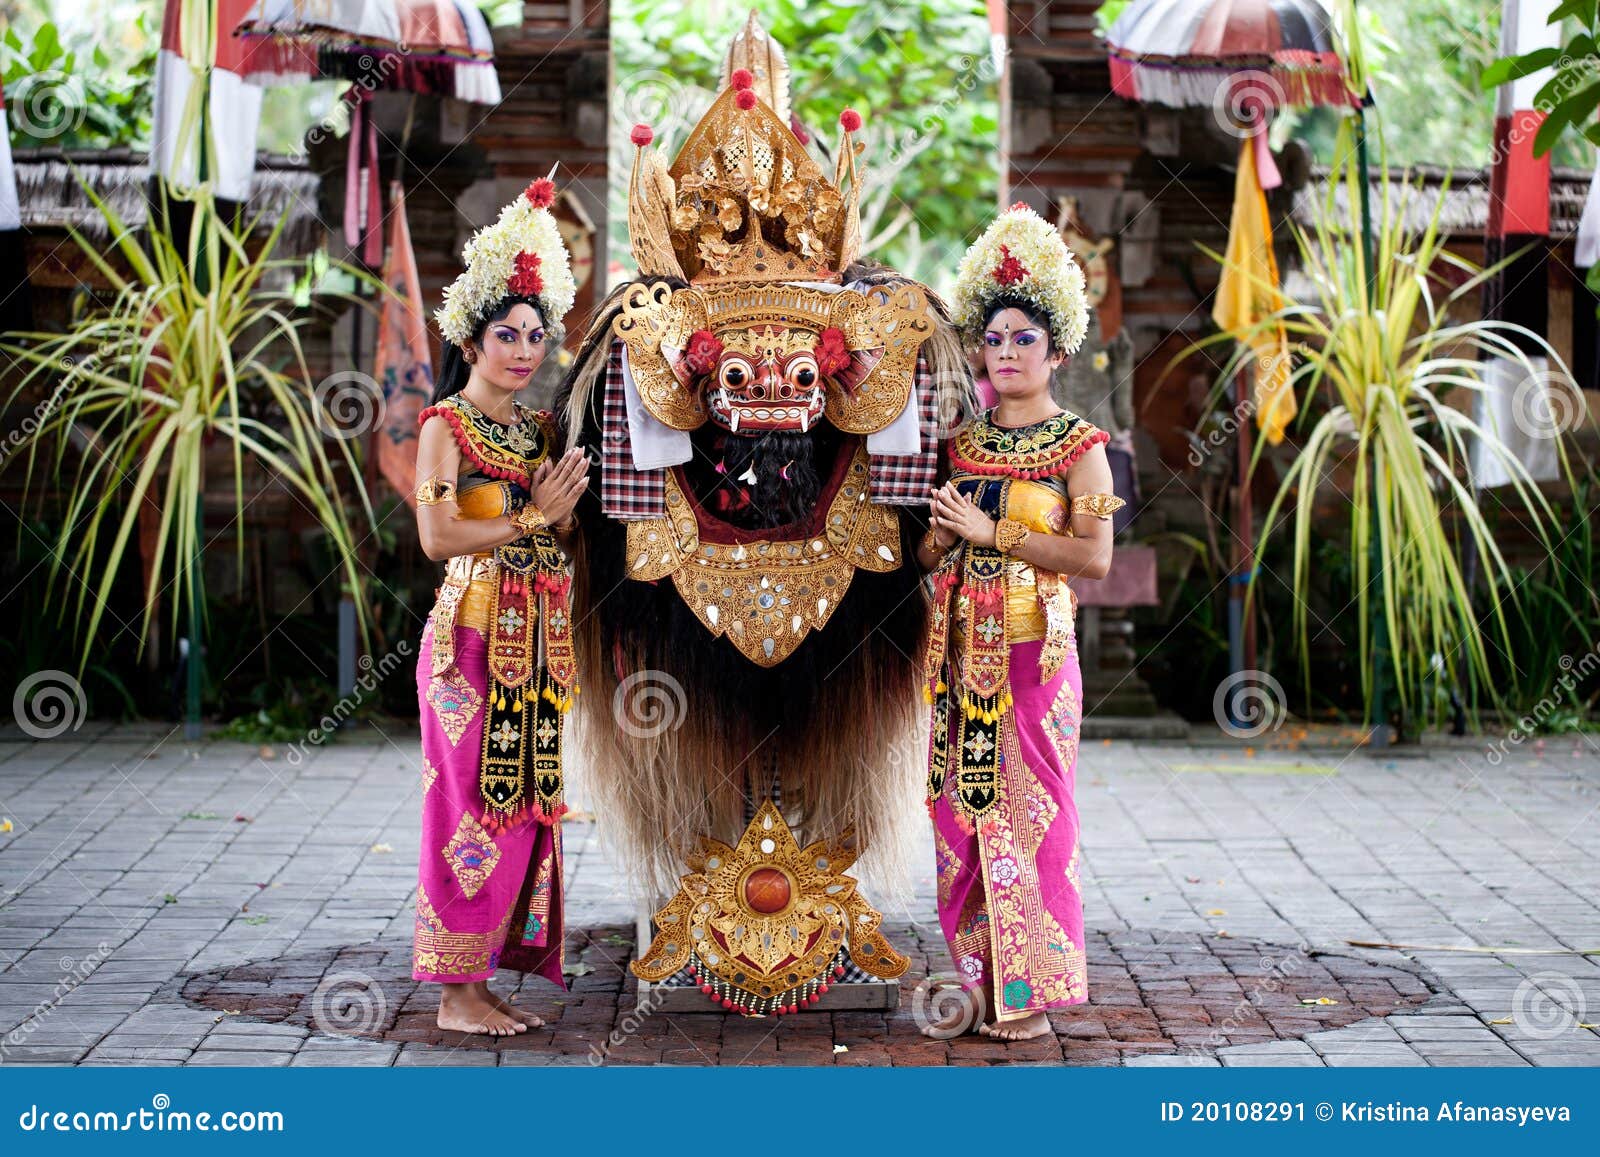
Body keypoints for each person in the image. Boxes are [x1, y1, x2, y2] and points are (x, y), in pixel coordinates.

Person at [915, 202, 1124, 1041]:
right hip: (961, 650)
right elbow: (930, 553)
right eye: (994, 340)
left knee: (1035, 813)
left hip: (1037, 657)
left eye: (1023, 340)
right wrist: (936, 536)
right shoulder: (960, 443)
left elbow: (1095, 558)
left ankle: (1029, 990)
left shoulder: (1081, 447)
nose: (1005, 354)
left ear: (1059, 350)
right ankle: (977, 976)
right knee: (959, 813)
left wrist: (996, 533)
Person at [410, 178, 590, 1036]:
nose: (522, 349)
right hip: (474, 639)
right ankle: (454, 992)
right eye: (505, 335)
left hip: (540, 641)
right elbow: (439, 538)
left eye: (534, 335)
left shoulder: (538, 433)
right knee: (467, 806)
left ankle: (483, 977)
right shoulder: (445, 426)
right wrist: (532, 517)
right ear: (471, 339)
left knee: (525, 801)